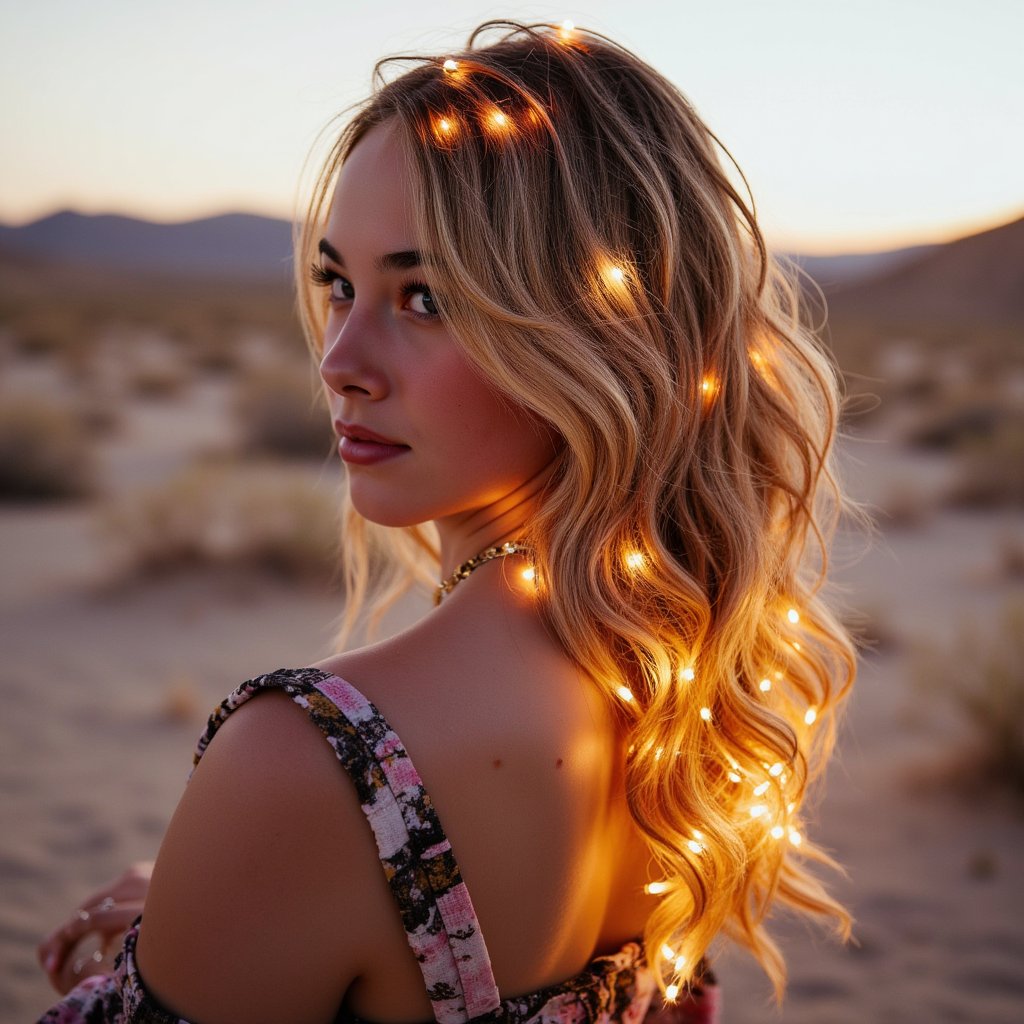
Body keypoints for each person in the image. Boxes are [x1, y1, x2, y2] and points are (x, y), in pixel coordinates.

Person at [38, 20, 857, 1023]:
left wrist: (221, 906)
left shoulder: (311, 769)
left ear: (600, 337)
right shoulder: (671, 688)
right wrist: (215, 926)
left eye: (425, 296)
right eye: (338, 283)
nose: (340, 357)